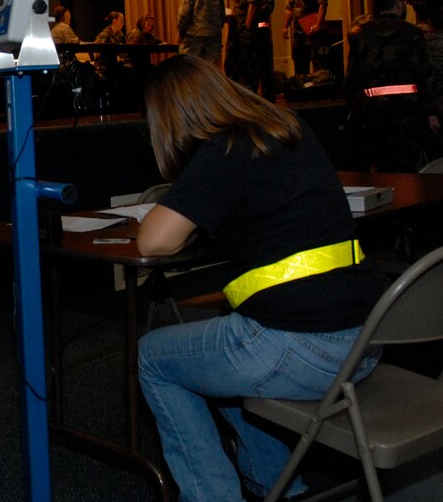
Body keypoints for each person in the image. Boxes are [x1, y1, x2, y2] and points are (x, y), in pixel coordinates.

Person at [135, 54, 387, 502]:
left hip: (305, 351)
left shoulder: (222, 152)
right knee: (219, 352)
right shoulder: (288, 129)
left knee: (154, 356)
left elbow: (153, 242)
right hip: (367, 338)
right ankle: (278, 486)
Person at [345, 0, 439, 172]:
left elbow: (352, 77)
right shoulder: (411, 33)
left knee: (381, 168)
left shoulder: (362, 34)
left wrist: (354, 110)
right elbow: (424, 74)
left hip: (373, 114)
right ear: (398, 3)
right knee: (409, 170)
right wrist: (431, 112)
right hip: (408, 113)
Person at [282, 0, 328, 76]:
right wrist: (285, 27)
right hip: (298, 31)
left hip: (311, 28)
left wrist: (318, 24)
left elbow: (322, 5)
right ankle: (302, 88)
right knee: (299, 61)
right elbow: (289, 9)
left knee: (318, 61)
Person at [224, 0, 261, 90]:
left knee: (247, 66)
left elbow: (252, 5)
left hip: (245, 31)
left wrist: (247, 26)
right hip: (236, 29)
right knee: (232, 65)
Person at [177, 0, 225, 64]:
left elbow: (184, 13)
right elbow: (222, 15)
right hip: (213, 36)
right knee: (210, 70)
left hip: (194, 35)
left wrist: (181, 32)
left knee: (188, 68)